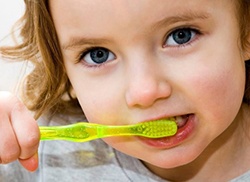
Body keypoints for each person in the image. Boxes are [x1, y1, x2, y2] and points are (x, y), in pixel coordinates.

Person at [0, 0, 250, 181]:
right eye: (98, 55)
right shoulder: (38, 151)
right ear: (63, 69)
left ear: (246, 31)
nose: (145, 91)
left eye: (180, 36)